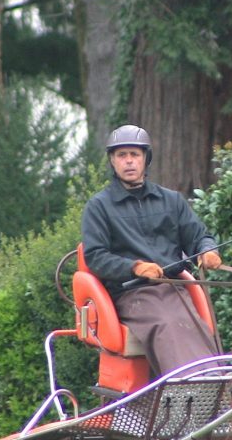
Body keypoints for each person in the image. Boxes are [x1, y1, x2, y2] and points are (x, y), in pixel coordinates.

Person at [81, 124, 222, 376]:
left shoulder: (172, 200)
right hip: (131, 294)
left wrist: (207, 251)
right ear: (112, 161)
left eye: (134, 154)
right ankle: (187, 388)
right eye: (121, 155)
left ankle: (216, 383)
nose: (129, 161)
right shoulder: (98, 207)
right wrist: (134, 267)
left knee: (193, 324)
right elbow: (95, 257)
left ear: (146, 159)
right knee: (166, 322)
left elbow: (199, 236)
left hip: (174, 288)